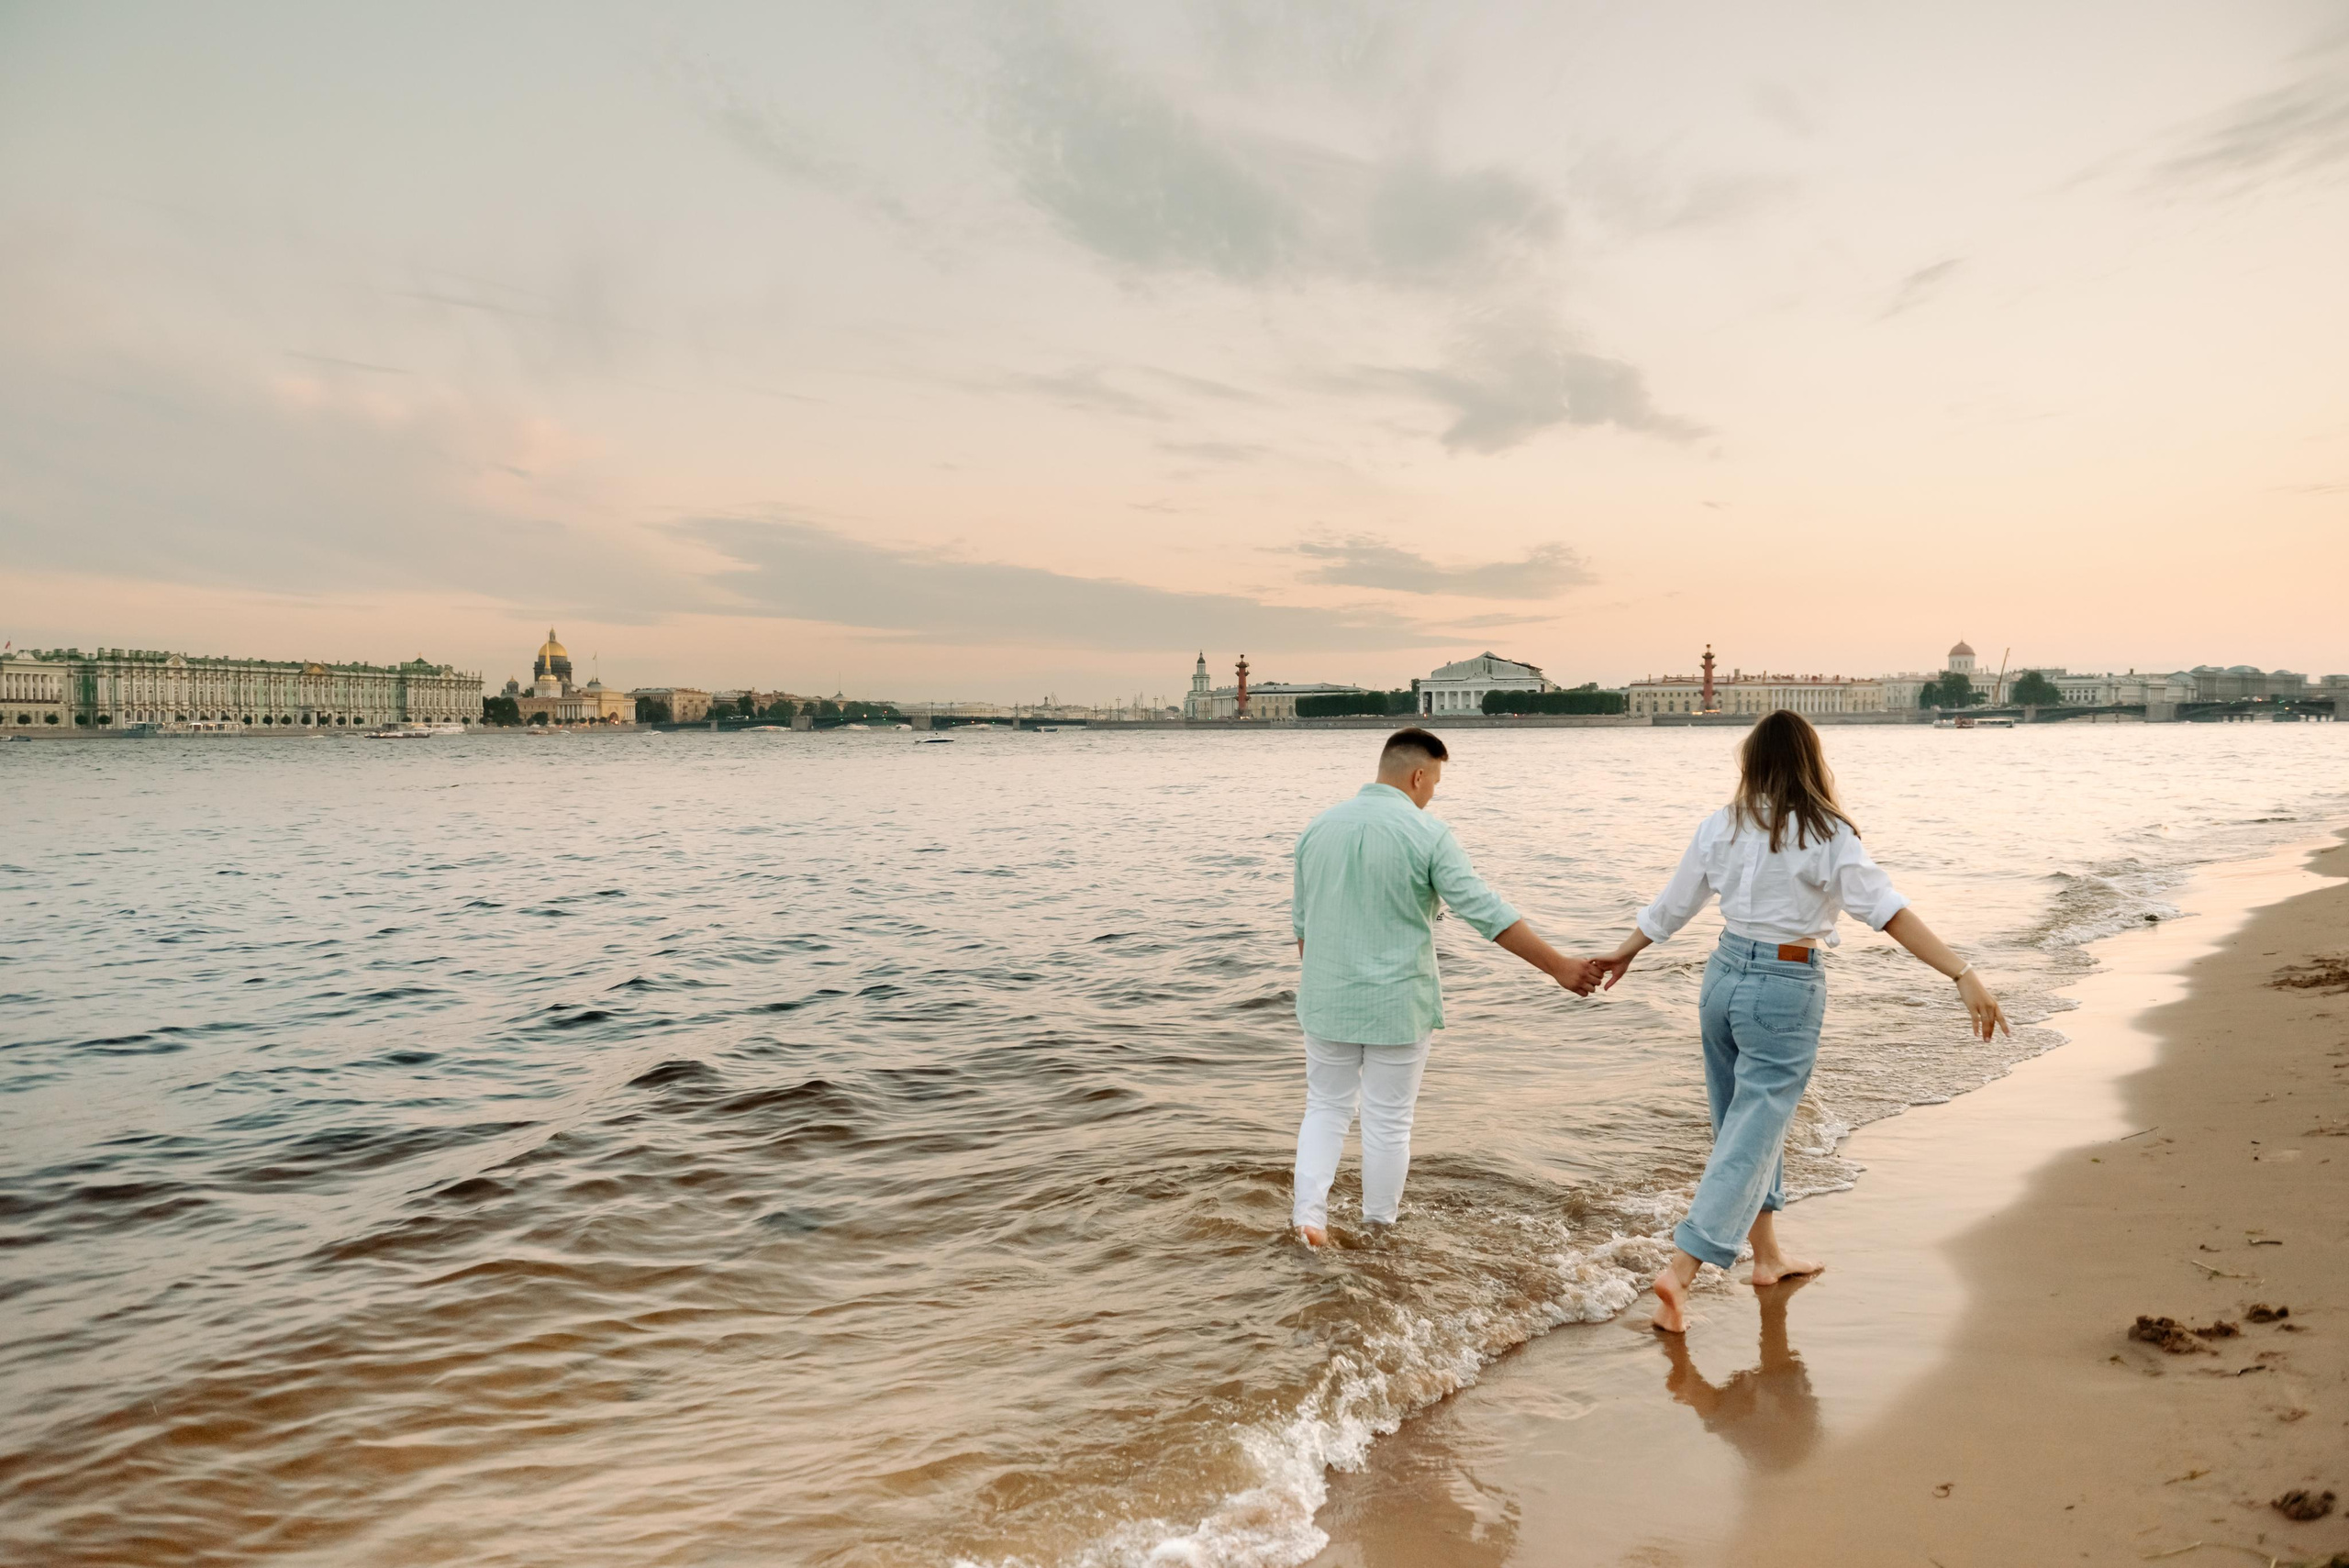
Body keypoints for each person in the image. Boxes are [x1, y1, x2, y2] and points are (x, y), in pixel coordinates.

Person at [1590, 710, 2009, 1331]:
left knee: (1742, 1125)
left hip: (1721, 979)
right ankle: (1680, 1270)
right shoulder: (1827, 831)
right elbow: (1888, 912)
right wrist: (1961, 971)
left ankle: (1766, 1258)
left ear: (1752, 761)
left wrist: (1625, 952)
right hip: (1783, 987)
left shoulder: (1721, 825)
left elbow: (1672, 906)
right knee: (1751, 1132)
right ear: (1812, 760)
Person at [1289, 727, 1595, 1248]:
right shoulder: (1427, 834)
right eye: (1434, 783)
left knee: (1325, 1107)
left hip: (1326, 998)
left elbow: (1303, 928)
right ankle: (1379, 1231)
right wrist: (1558, 966)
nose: (1432, 794)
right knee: (1388, 1121)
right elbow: (1485, 911)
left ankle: (1308, 1221)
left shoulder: (1317, 829)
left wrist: (1329, 984)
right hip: (1397, 1002)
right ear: (1418, 775)